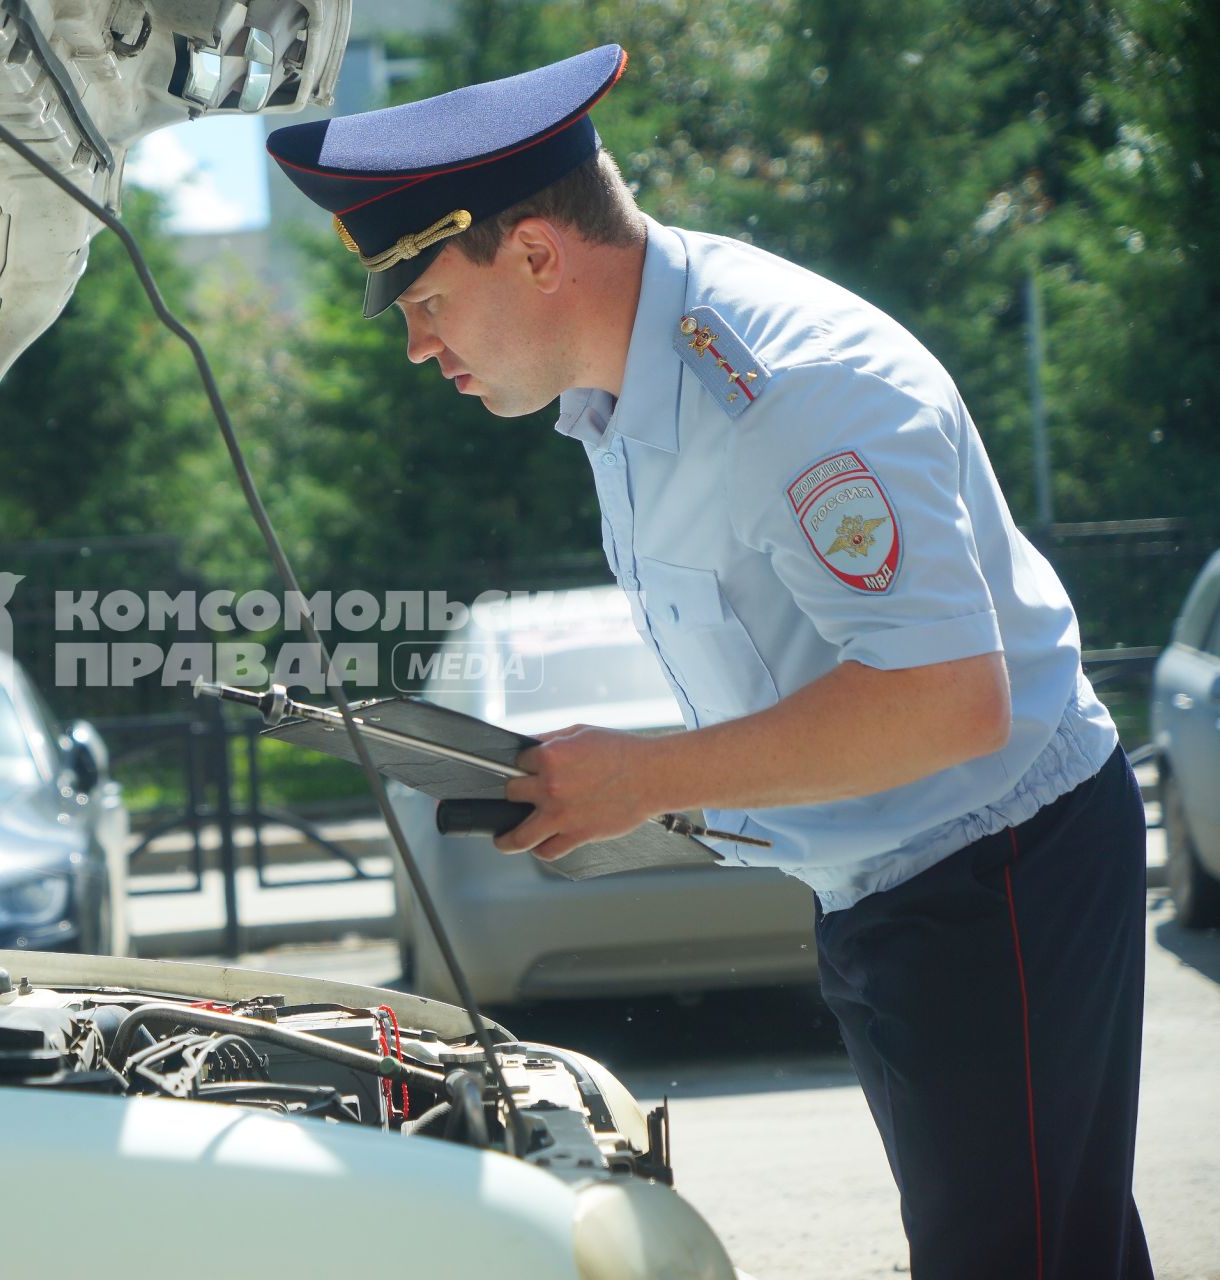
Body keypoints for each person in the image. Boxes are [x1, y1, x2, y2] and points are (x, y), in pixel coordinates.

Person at [267, 44, 1151, 1280]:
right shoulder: (624, 386)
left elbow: (947, 699)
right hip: (897, 884)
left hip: (996, 867)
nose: (417, 347)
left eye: (423, 301)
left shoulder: (787, 387)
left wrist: (641, 777)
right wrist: (625, 780)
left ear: (532, 252)